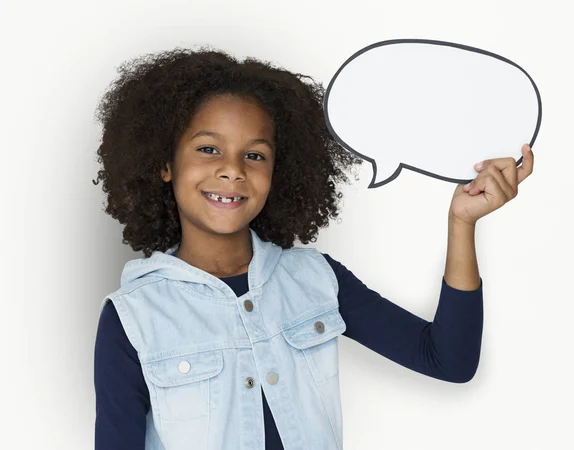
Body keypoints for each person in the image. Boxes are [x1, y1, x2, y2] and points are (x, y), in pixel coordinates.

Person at [92, 47, 534, 450]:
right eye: (209, 149)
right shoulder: (133, 317)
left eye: (255, 155)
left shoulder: (316, 279)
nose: (232, 171)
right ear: (166, 164)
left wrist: (462, 222)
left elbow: (449, 360)